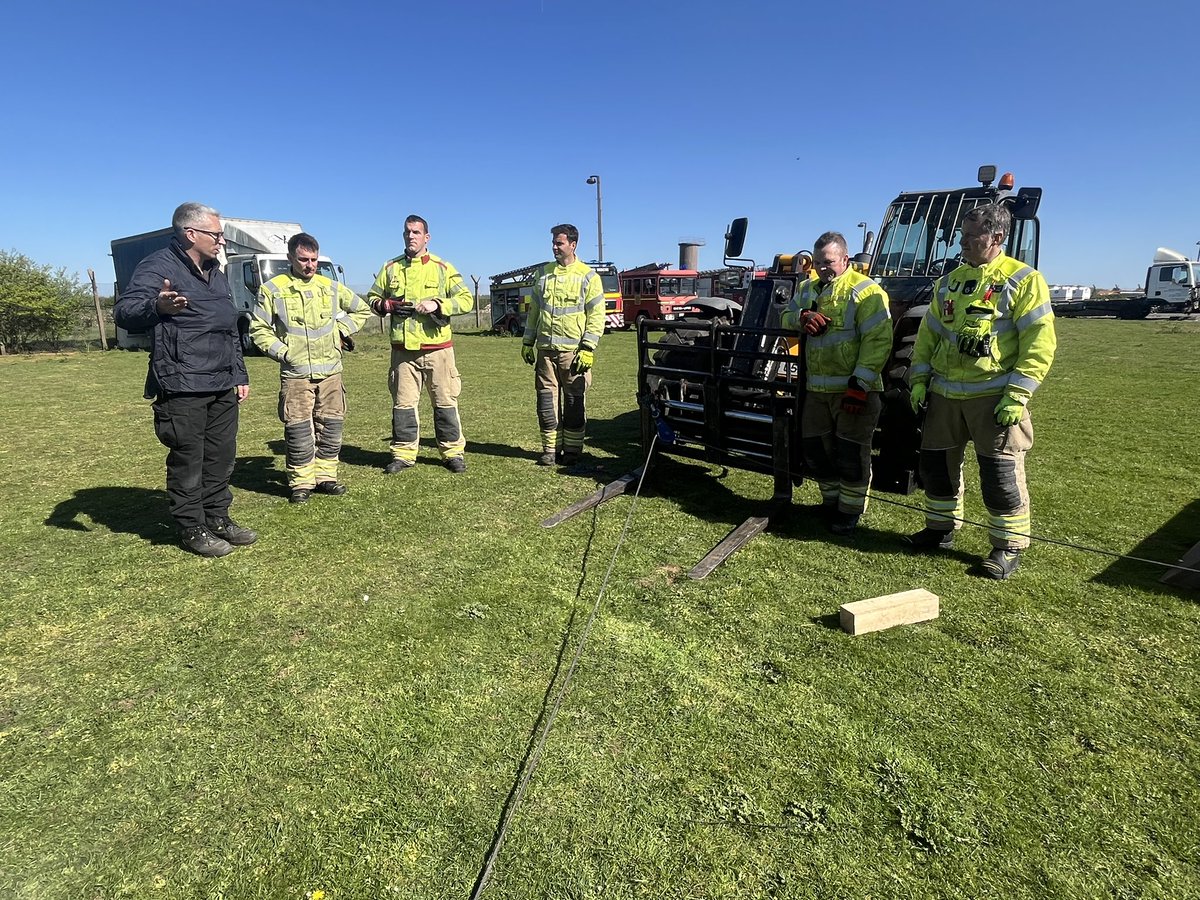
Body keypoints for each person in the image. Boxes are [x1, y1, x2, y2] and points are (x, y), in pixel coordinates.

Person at [906, 203, 1056, 579]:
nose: (963, 242)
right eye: (963, 235)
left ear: (997, 237)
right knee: (937, 468)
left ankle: (1007, 548)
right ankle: (940, 530)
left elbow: (1039, 343)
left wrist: (1016, 396)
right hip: (945, 395)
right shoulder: (949, 282)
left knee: (1000, 474)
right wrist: (919, 379)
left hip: (994, 397)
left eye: (972, 236)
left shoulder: (1023, 280)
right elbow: (928, 337)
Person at [113, 202, 256, 557]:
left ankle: (218, 518)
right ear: (190, 234)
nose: (222, 241)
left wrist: (239, 372)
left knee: (221, 456)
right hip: (182, 382)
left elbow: (229, 328)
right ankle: (191, 527)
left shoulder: (216, 271)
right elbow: (125, 311)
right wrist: (158, 307)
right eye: (216, 234)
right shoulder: (159, 266)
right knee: (188, 457)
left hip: (222, 381)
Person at [781, 231, 892, 535]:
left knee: (851, 454)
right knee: (815, 449)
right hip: (816, 391)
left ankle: (850, 511)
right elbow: (784, 318)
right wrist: (801, 318)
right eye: (817, 263)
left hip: (854, 391)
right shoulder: (807, 289)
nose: (822, 268)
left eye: (828, 262)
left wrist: (860, 385)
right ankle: (830, 503)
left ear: (845, 259)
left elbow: (879, 341)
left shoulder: (866, 292)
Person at [249, 232, 371, 503]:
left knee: (331, 427)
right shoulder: (273, 289)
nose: (310, 265)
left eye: (314, 259)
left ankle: (326, 477)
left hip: (331, 374)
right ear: (290, 257)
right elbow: (258, 329)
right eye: (303, 259)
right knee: (299, 430)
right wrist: (283, 353)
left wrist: (341, 329)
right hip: (296, 376)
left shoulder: (330, 287)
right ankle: (300, 483)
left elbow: (362, 310)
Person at [368, 215, 474, 473]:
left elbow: (466, 299)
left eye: (416, 232)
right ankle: (403, 455)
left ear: (427, 237)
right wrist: (386, 305)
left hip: (438, 351)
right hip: (403, 353)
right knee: (403, 406)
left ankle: (452, 453)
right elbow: (372, 297)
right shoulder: (390, 267)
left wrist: (439, 304)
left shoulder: (442, 267)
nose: (411, 236)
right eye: (407, 232)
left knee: (445, 403)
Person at [520, 224, 605, 466]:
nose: (555, 247)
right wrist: (528, 342)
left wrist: (588, 348)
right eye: (554, 243)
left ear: (573, 245)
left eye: (559, 243)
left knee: (573, 402)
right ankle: (549, 450)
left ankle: (573, 451)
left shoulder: (588, 277)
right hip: (545, 352)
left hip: (573, 353)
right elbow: (534, 311)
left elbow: (597, 315)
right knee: (546, 402)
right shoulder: (543, 274)